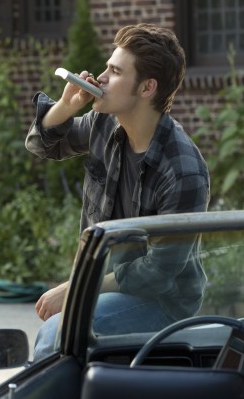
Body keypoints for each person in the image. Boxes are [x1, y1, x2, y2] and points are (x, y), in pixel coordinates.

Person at [25, 24, 210, 361]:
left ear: (147, 87)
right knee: (61, 338)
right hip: (106, 285)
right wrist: (66, 105)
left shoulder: (183, 170)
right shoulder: (105, 124)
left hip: (162, 303)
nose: (101, 77)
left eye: (115, 71)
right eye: (106, 68)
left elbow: (157, 273)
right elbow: (42, 145)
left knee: (57, 335)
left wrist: (76, 288)